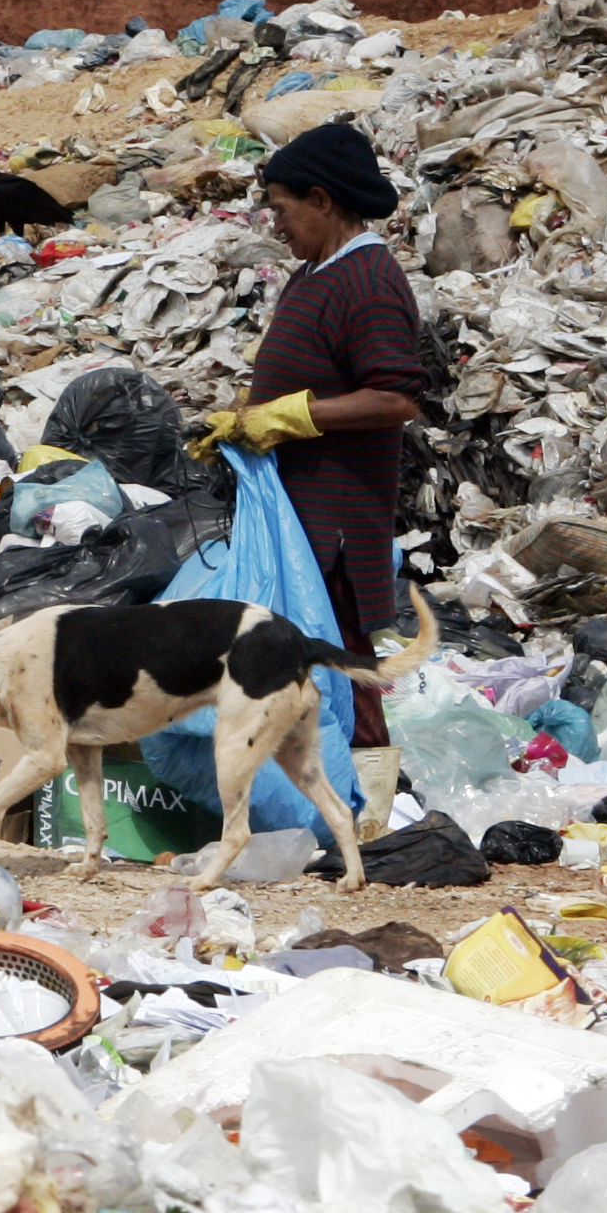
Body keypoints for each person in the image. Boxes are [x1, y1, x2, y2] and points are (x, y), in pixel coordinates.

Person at [201, 120, 427, 745]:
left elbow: (395, 395)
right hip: (300, 525)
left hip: (337, 535)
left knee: (344, 676)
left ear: (323, 201)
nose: (275, 223)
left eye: (282, 208)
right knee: (304, 675)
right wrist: (245, 422)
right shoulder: (315, 273)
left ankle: (373, 821)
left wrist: (288, 417)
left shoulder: (367, 281)